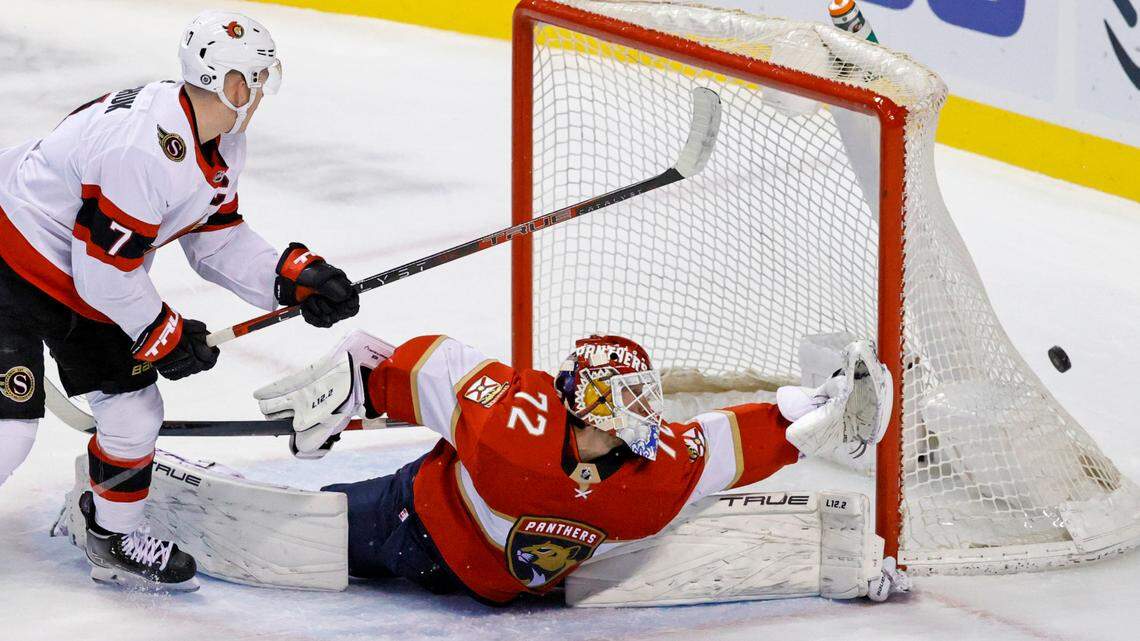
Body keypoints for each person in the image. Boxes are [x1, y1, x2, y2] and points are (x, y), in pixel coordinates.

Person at [0, 10, 359, 591]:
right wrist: (163, 332)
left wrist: (291, 278)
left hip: (81, 278)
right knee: (8, 433)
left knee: (134, 414)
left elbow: (214, 237)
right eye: (258, 78)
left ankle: (111, 537)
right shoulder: (143, 148)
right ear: (232, 84)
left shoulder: (219, 138)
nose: (262, 92)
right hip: (10, 258)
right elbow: (102, 271)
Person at [254, 330, 910, 605]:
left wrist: (805, 419)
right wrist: (363, 382)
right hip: (421, 527)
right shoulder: (513, 422)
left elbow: (726, 444)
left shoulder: (659, 469)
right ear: (587, 401)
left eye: (645, 394)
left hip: (522, 592)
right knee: (320, 530)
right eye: (628, 395)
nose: (645, 409)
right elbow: (435, 368)